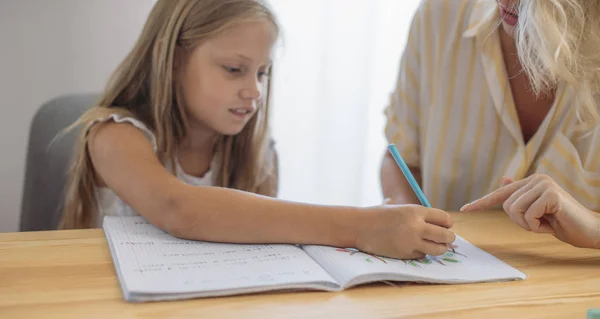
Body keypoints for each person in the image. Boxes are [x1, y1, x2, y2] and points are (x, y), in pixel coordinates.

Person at [59, 0, 455, 260]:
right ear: (173, 59)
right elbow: (178, 209)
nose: (254, 91)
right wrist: (362, 225)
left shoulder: (260, 155)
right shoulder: (113, 135)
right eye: (234, 69)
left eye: (262, 72)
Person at [381, 0, 600, 249]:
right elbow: (400, 160)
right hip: (450, 277)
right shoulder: (438, 16)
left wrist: (594, 229)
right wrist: (401, 214)